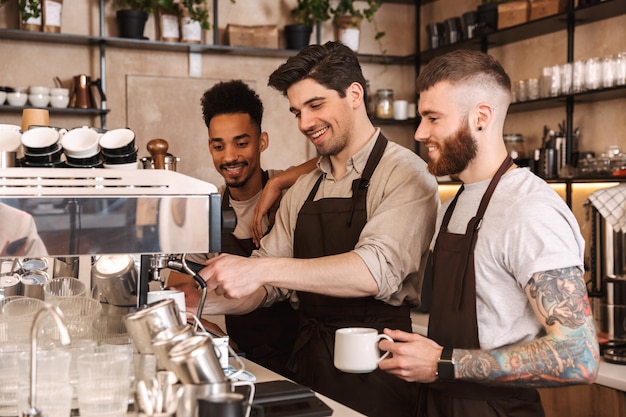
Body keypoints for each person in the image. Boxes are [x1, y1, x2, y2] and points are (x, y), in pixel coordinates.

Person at [189, 42, 439, 417]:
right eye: (296, 112)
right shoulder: (304, 187)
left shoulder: (405, 174)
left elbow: (374, 270)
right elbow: (269, 286)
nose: (305, 123)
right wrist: (194, 305)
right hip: (307, 366)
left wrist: (258, 268)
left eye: (315, 105)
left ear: (355, 94)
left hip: (376, 370)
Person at [378, 49, 599, 417]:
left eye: (433, 118)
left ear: (481, 117)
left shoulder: (530, 211)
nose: (420, 133)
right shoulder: (454, 204)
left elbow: (579, 356)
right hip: (436, 404)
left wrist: (444, 363)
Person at [168, 80, 315, 377]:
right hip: (246, 360)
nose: (229, 157)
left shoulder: (293, 191)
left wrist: (280, 180)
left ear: (262, 142)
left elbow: (341, 158)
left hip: (305, 355)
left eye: (241, 143)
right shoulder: (207, 210)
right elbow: (179, 287)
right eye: (218, 145)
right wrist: (204, 326)